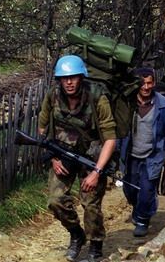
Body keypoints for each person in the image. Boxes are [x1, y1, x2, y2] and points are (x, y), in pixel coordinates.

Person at [38, 55, 117, 262]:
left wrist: (96, 172)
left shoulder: (97, 97)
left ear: (81, 77)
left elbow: (110, 139)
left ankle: (96, 245)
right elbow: (42, 128)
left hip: (92, 157)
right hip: (63, 154)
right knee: (55, 201)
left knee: (90, 204)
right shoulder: (53, 96)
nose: (69, 82)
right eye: (65, 78)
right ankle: (76, 234)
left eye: (73, 77)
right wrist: (54, 157)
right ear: (59, 80)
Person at [119, 67, 165, 237]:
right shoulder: (128, 103)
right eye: (142, 83)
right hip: (131, 155)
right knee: (130, 191)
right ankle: (140, 206)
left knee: (147, 189)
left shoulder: (163, 104)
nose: (146, 87)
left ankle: (143, 220)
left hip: (154, 155)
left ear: (154, 83)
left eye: (149, 83)